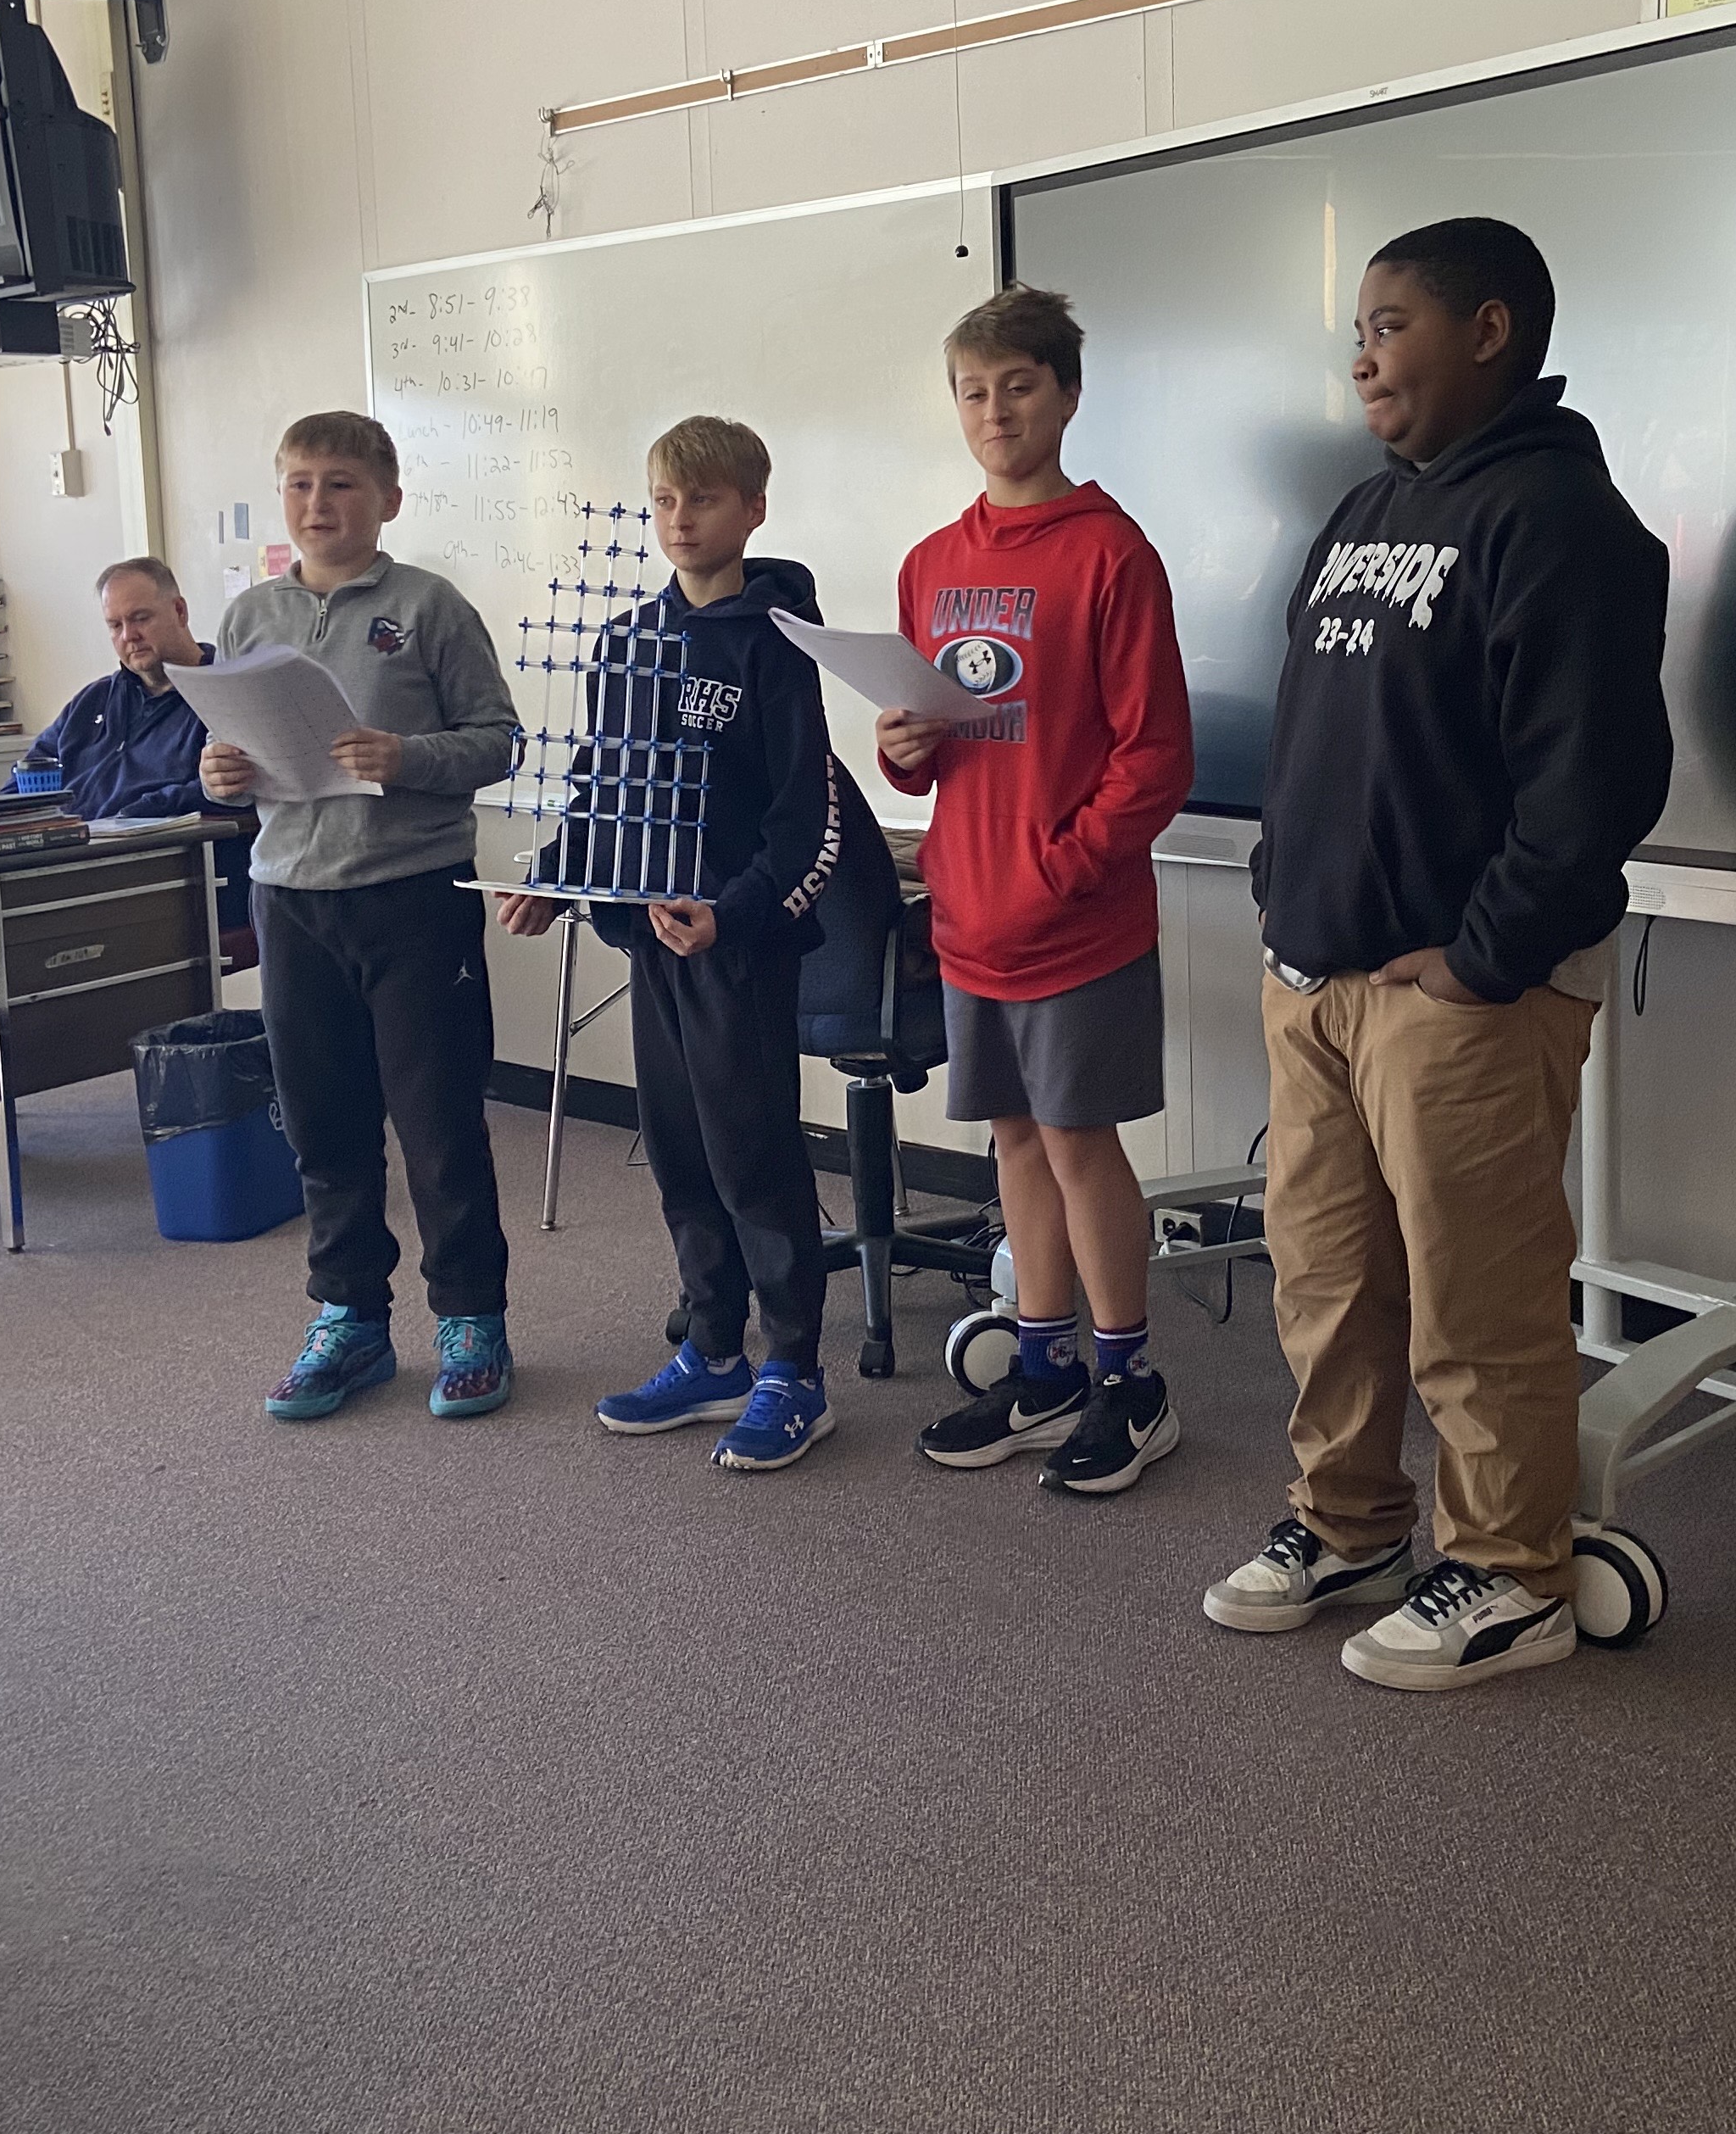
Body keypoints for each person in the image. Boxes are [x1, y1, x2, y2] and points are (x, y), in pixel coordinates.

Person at [1202, 217, 1672, 1692]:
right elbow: (1311, 736)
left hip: (1460, 996)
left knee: (1478, 1297)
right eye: (1355, 327)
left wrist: (1484, 958)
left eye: (1389, 324)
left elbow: (1592, 784)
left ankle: (1513, 1569)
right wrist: (1286, 897)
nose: (1360, 354)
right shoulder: (1360, 514)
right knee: (1327, 1279)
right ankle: (1348, 1521)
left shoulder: (1562, 520)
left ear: (1488, 331)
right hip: (1318, 976)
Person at [880, 285, 1194, 1496]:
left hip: (1073, 917)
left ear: (1065, 394)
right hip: (969, 914)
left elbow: (1154, 755)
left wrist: (1064, 869)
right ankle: (1048, 1365)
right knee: (1013, 1136)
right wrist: (905, 751)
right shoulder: (932, 562)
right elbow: (936, 738)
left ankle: (1129, 1382)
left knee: (1078, 1140)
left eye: (1019, 386)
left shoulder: (1110, 552)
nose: (995, 411)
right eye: (974, 391)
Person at [500, 416, 849, 1472]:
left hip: (734, 943)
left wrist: (731, 915)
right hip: (651, 936)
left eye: (702, 500)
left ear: (752, 510)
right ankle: (711, 1349)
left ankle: (794, 1367)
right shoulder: (626, 643)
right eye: (663, 502)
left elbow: (805, 819)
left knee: (754, 1154)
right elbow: (605, 787)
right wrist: (559, 879)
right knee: (681, 1151)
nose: (680, 520)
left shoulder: (779, 644)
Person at [199, 410, 524, 1426]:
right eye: (298, 484)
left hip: (411, 894)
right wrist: (218, 774)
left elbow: (498, 740)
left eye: (339, 484)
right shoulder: (251, 615)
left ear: (386, 499)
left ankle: (471, 1318)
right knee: (324, 1124)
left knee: (436, 1124)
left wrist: (407, 757)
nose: (316, 504)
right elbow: (236, 749)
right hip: (291, 895)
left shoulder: (428, 606)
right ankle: (350, 1318)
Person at [14, 557, 215, 816]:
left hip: (152, 849)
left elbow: (221, 790)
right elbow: (28, 777)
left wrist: (131, 814)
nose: (128, 636)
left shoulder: (222, 696)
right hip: (65, 847)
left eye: (140, 618)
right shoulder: (93, 700)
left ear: (180, 612)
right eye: (115, 625)